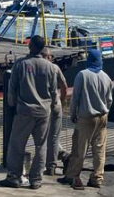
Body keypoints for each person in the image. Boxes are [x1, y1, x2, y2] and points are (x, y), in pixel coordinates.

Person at [0, 35, 58, 190]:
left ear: (31, 46)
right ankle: (36, 179)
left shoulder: (21, 64)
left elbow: (12, 88)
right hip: (44, 111)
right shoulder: (50, 67)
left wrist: (11, 105)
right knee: (41, 146)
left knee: (16, 144)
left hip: (25, 110)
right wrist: (53, 107)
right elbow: (54, 91)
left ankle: (14, 176)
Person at [58, 50, 114, 190]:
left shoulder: (82, 75)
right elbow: (109, 100)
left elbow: (75, 97)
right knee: (100, 149)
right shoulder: (106, 77)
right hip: (102, 117)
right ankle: (97, 178)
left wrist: (72, 114)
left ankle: (72, 176)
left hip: (86, 116)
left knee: (79, 148)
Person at [42, 48, 68, 176]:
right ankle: (61, 157)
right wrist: (61, 101)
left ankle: (53, 164)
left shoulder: (38, 67)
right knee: (53, 136)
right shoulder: (55, 68)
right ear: (48, 57)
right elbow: (64, 86)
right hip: (55, 104)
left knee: (44, 136)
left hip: (42, 105)